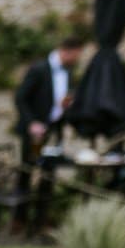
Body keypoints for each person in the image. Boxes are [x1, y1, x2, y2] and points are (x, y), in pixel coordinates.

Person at [13, 36, 86, 235]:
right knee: (26, 172)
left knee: (49, 174)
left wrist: (65, 106)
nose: (76, 60)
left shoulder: (68, 73)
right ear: (66, 50)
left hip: (53, 131)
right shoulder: (39, 69)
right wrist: (31, 123)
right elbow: (21, 97)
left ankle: (40, 221)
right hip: (35, 132)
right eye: (76, 56)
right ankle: (19, 220)